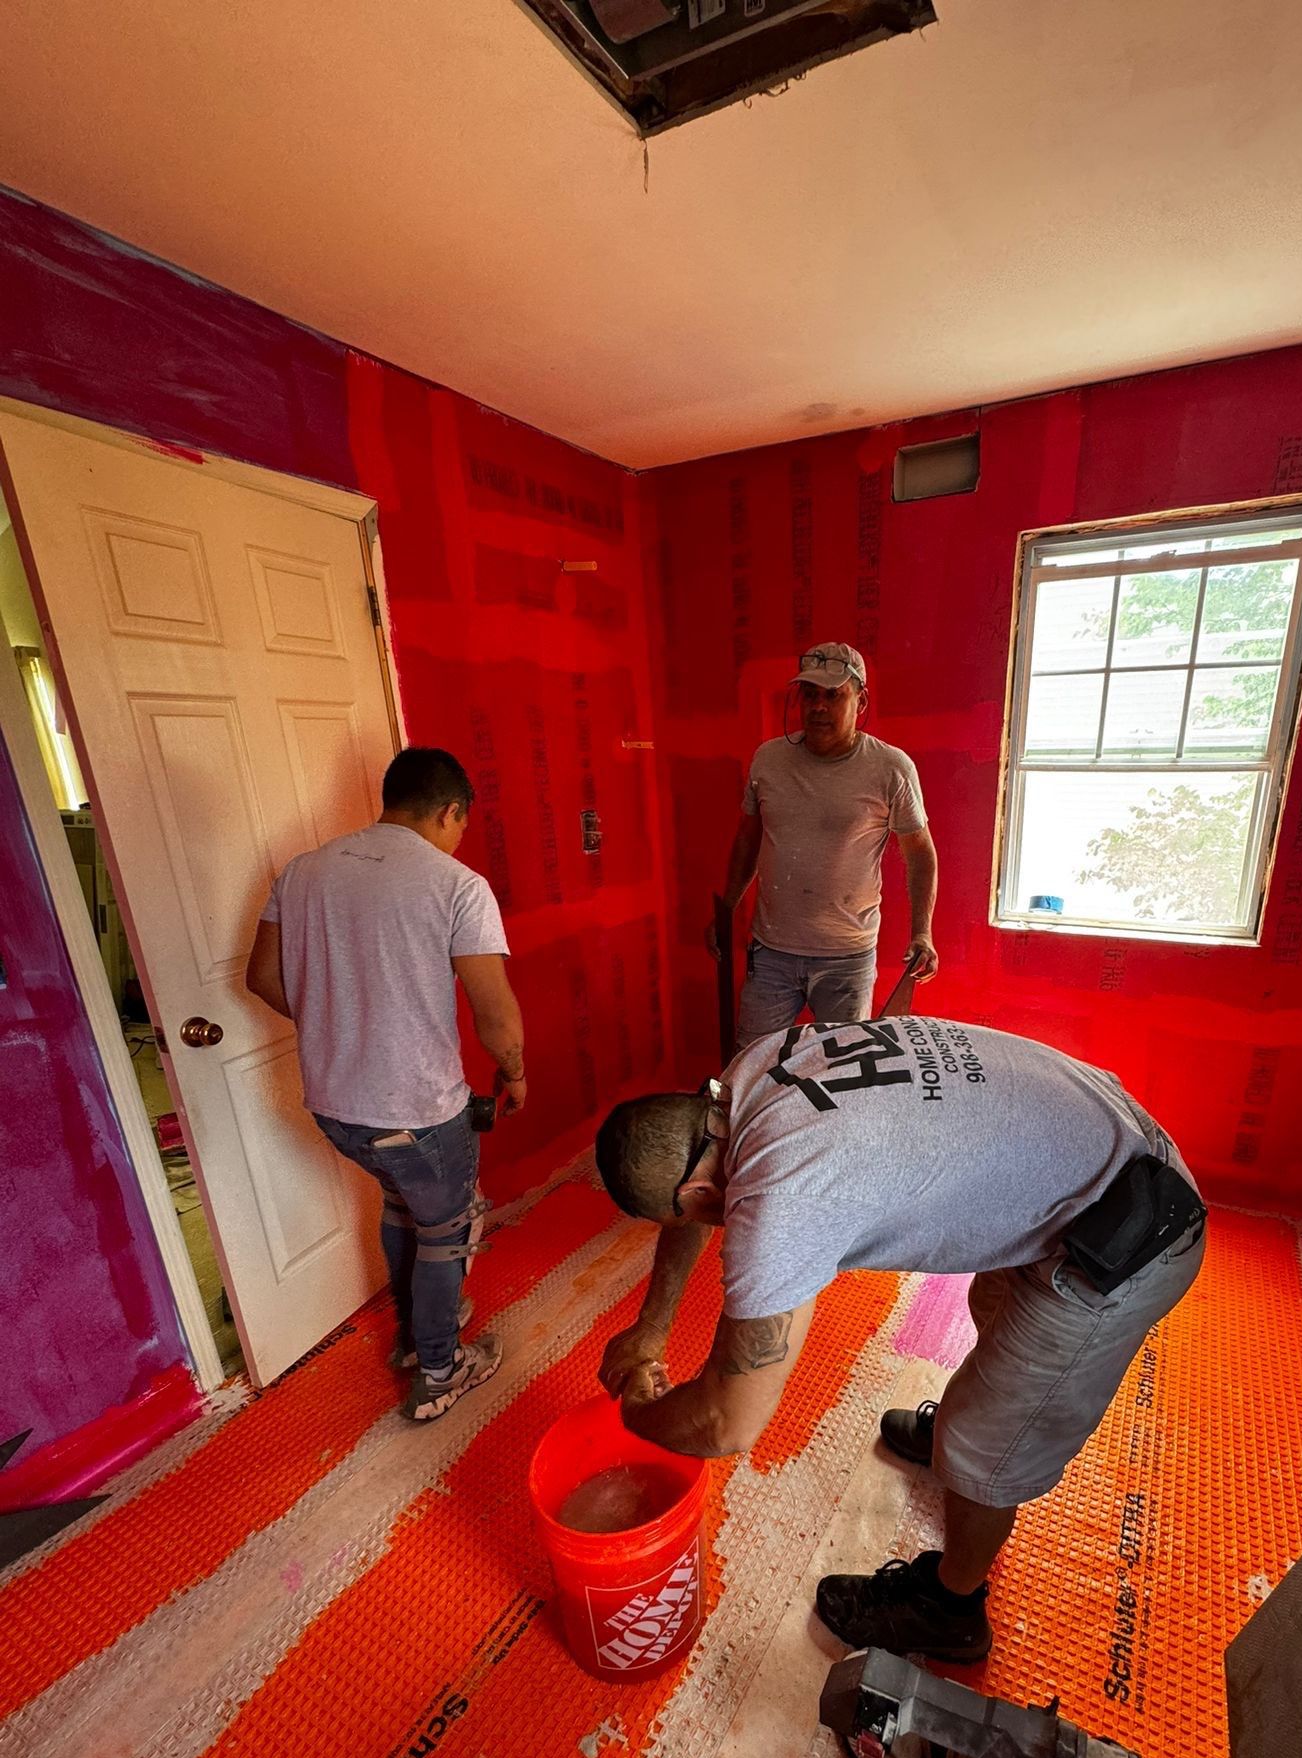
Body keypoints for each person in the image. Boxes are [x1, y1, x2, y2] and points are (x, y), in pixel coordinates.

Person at [591, 1017, 1205, 1662]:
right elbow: (696, 1199)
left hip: (1133, 1238)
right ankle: (962, 1442)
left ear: (696, 1192)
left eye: (687, 1211)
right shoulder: (751, 1076)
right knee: (991, 1303)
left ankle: (950, 1610)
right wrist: (651, 1327)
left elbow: (726, 1422)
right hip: (1099, 1146)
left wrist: (639, 1415)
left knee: (986, 1442)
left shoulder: (788, 1190)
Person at [245, 746, 526, 1423]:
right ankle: (439, 1369)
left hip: (337, 1108)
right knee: (447, 1231)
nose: (458, 839)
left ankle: (411, 1337)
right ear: (449, 811)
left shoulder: (304, 872)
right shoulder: (456, 885)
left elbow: (260, 978)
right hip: (418, 1110)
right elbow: (496, 1015)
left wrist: (332, 1025)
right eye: (460, 825)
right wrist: (514, 1072)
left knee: (403, 1207)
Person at [710, 644, 939, 1045]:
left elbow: (920, 853)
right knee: (754, 1061)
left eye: (833, 695)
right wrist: (726, 909)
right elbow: (749, 838)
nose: (818, 706)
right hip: (772, 951)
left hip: (847, 957)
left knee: (842, 1070)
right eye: (810, 694)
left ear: (861, 699)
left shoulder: (891, 768)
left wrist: (923, 932)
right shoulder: (768, 760)